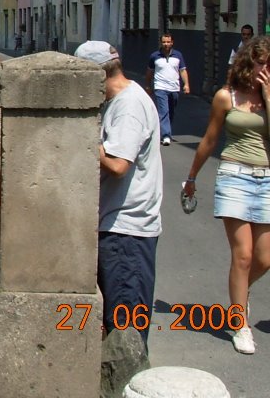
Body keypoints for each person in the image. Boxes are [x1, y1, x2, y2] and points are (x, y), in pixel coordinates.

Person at [183, 35, 270, 355]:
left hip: (267, 179)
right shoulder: (225, 97)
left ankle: (238, 296)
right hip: (234, 177)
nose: (267, 69)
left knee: (265, 258)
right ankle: (239, 324)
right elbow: (208, 140)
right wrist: (191, 177)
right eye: (264, 63)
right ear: (249, 63)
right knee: (243, 255)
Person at [74, 40, 163, 348]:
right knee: (118, 321)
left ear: (96, 75)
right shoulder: (120, 102)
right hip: (118, 228)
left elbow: (118, 164)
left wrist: (87, 141)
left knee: (126, 332)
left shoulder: (128, 106)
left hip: (127, 232)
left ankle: (129, 387)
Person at [145, 32, 190, 147]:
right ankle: (166, 135)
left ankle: (166, 129)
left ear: (172, 42)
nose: (166, 44)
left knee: (171, 110)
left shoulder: (178, 55)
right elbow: (149, 72)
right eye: (164, 42)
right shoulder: (155, 56)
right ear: (161, 42)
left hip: (174, 87)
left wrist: (186, 84)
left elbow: (182, 70)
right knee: (163, 111)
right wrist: (148, 86)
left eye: (168, 42)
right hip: (160, 87)